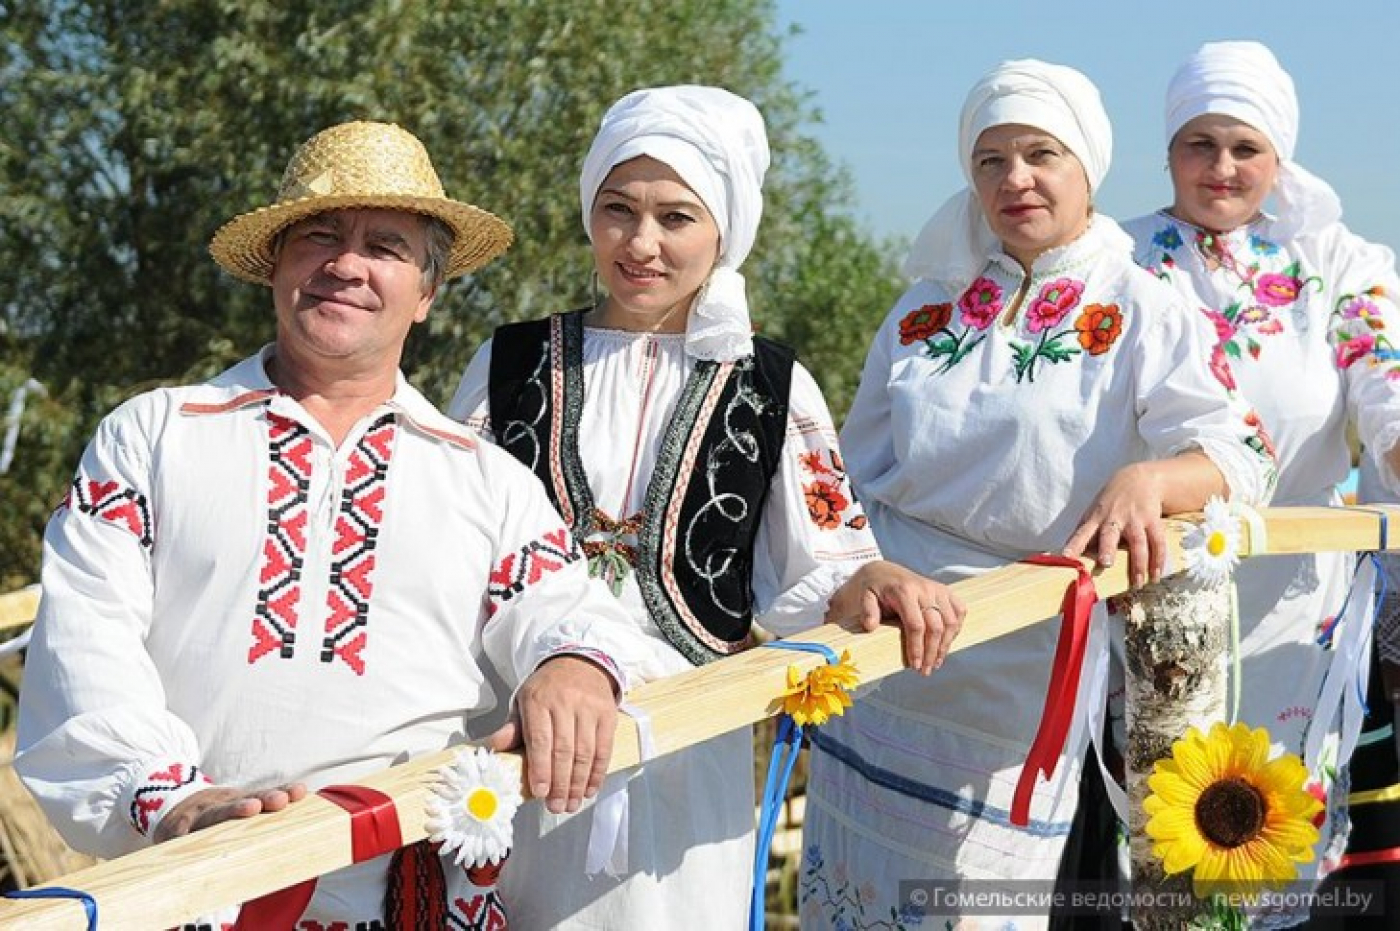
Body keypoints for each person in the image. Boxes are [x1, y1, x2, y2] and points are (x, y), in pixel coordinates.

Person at [15, 120, 656, 929]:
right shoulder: (154, 436)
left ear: (425, 295)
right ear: (276, 265)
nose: (346, 265)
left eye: (385, 246)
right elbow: (85, 643)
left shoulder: (484, 478)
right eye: (320, 235)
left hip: (416, 901)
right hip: (198, 889)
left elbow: (570, 612)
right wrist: (173, 801)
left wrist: (572, 662)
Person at [448, 84, 965, 930]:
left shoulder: (770, 383)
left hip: (686, 751)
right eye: (618, 209)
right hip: (521, 732)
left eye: (676, 217)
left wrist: (871, 577)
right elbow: (445, 532)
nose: (641, 242)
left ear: (724, 230)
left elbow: (818, 565)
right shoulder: (510, 364)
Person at [797, 59, 1277, 930]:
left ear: (1086, 164)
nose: (1014, 178)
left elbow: (1241, 453)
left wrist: (1149, 477)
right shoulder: (923, 310)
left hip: (1024, 649)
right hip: (889, 653)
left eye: (1040, 154)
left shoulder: (1142, 306)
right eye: (991, 160)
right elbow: (849, 472)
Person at [1121, 40, 1400, 925]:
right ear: (1168, 150)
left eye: (1246, 147)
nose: (1222, 167)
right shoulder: (1116, 259)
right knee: (1157, 857)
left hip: (1295, 611)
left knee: (1273, 850)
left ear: (1280, 157)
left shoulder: (1337, 263)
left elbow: (1387, 387)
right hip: (1148, 610)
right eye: (1199, 144)